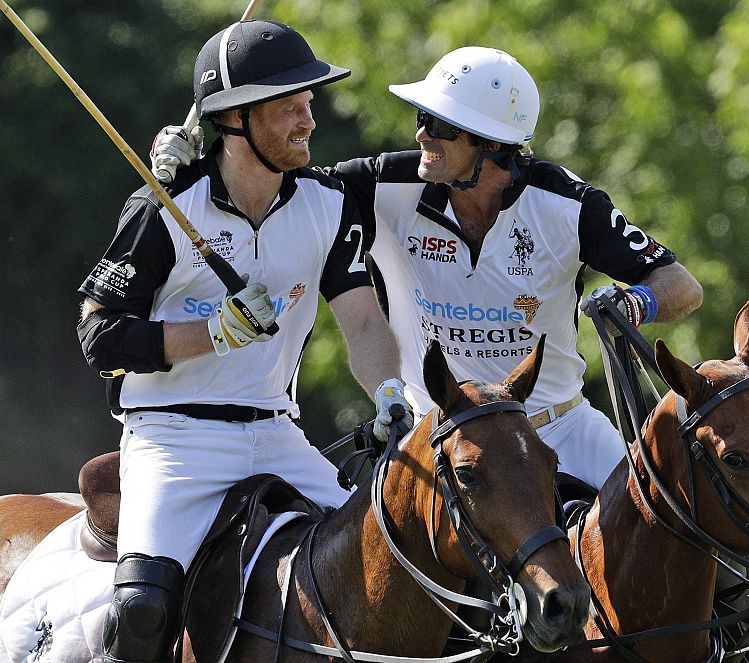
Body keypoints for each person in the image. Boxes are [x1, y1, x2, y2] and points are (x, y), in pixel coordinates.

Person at [151, 46, 702, 495]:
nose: (420, 135)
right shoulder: (384, 184)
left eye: (438, 124)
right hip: (438, 437)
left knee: (674, 534)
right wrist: (200, 163)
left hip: (560, 428)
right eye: (422, 119)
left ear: (491, 144)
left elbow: (681, 287)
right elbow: (276, 174)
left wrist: (636, 304)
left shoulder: (567, 205)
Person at [78, 20, 410, 663]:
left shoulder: (330, 205)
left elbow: (364, 322)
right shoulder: (167, 207)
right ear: (236, 120)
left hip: (278, 436)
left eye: (308, 105)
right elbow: (99, 337)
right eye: (289, 109)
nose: (308, 122)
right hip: (174, 439)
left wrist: (392, 395)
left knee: (393, 557)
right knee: (142, 610)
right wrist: (212, 334)